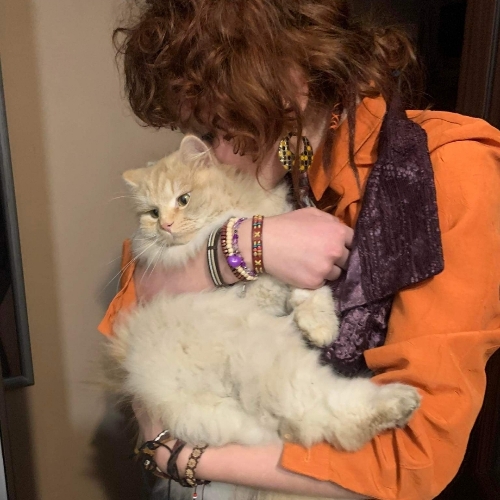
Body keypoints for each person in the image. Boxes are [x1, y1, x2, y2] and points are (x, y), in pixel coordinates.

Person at [99, 1, 500, 499]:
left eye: (223, 126)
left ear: (291, 75)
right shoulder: (268, 164)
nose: (216, 154)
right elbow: (134, 316)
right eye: (205, 133)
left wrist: (180, 457)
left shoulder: (446, 168)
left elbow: (413, 455)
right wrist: (244, 247)